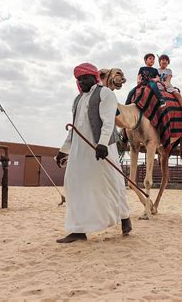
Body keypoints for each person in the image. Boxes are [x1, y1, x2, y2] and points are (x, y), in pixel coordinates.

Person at [55, 63, 132, 244]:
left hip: (102, 149)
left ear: (94, 77)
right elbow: (74, 129)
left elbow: (108, 122)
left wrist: (102, 144)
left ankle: (124, 217)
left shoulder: (105, 94)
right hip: (79, 151)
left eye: (85, 78)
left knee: (112, 183)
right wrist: (63, 150)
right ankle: (78, 230)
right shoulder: (78, 99)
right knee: (73, 183)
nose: (81, 82)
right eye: (78, 79)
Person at [157, 55, 182, 120]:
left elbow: (168, 81)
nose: (165, 61)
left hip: (168, 86)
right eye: (163, 60)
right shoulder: (156, 70)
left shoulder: (169, 71)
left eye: (166, 60)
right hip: (158, 86)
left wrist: (165, 86)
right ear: (160, 62)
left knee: (178, 94)